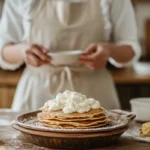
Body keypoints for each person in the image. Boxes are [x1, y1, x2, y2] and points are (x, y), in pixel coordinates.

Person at [0, 0, 141, 111]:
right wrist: (23, 51)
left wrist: (110, 51)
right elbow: (4, 51)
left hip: (95, 94)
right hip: (37, 94)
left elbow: (131, 49)